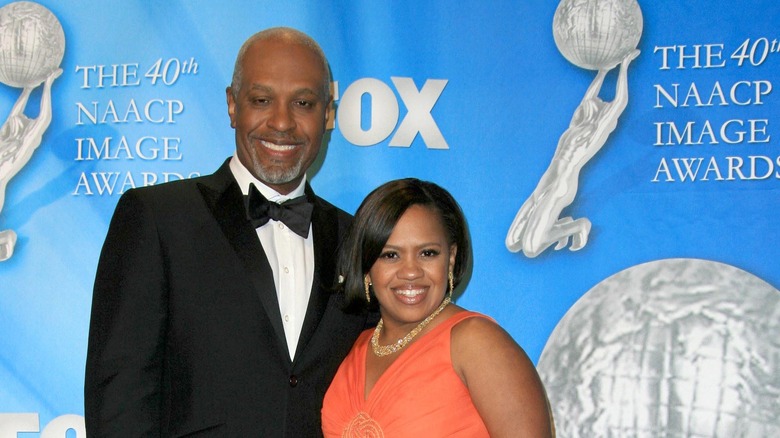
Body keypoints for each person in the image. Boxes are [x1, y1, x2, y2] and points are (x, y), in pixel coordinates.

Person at [85, 27, 372, 437]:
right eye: (261, 100)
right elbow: (119, 394)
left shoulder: (357, 240)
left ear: (327, 115)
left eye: (304, 103)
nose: (282, 122)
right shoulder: (157, 217)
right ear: (232, 105)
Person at [322, 178, 554, 437]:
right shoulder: (355, 346)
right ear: (366, 267)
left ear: (451, 258)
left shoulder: (476, 342)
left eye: (428, 253)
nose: (410, 272)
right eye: (390, 255)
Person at [505, 50, 640, 257]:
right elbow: (588, 98)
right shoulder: (576, 125)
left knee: (531, 249)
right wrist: (602, 72)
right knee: (512, 243)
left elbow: (620, 101)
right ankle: (557, 226)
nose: (592, 101)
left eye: (597, 102)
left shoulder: (595, 133)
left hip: (561, 187)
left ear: (602, 110)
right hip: (543, 184)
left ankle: (577, 226)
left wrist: (624, 67)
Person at [0, 68, 62, 261]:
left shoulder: (18, 144)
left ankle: (5, 247)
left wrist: (36, 88)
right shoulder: (15, 142)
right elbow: (23, 116)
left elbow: (39, 117)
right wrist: (43, 86)